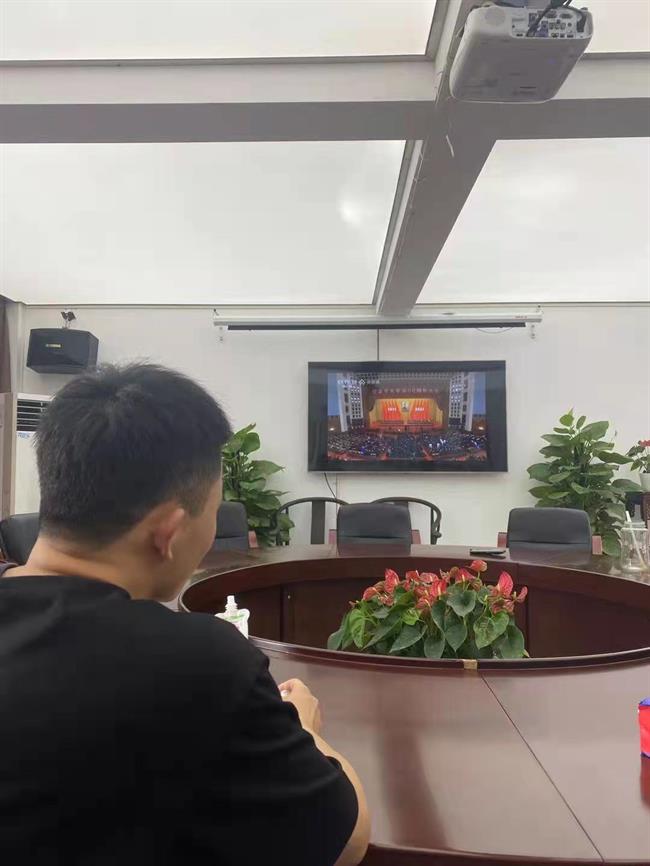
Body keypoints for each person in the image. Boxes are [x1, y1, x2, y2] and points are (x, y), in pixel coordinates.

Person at [0, 363, 369, 866]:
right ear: (169, 532)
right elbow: (347, 843)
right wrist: (307, 731)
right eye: (212, 512)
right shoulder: (197, 663)